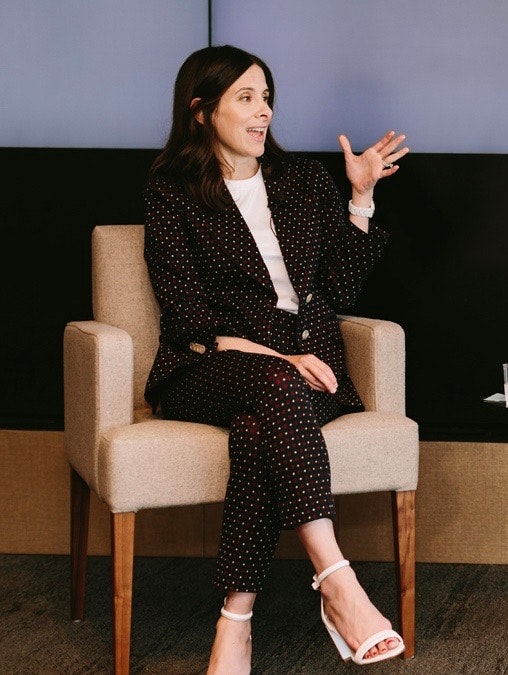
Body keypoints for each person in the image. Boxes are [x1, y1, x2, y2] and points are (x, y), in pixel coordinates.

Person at [143, 45, 410, 672]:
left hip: (303, 370)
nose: (263, 112)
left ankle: (235, 622)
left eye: (267, 98)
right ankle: (337, 580)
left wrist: (361, 197)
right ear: (201, 111)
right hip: (209, 362)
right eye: (245, 98)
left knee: (261, 424)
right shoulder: (171, 192)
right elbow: (185, 315)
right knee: (274, 382)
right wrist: (279, 355)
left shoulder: (302, 181)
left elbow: (337, 290)